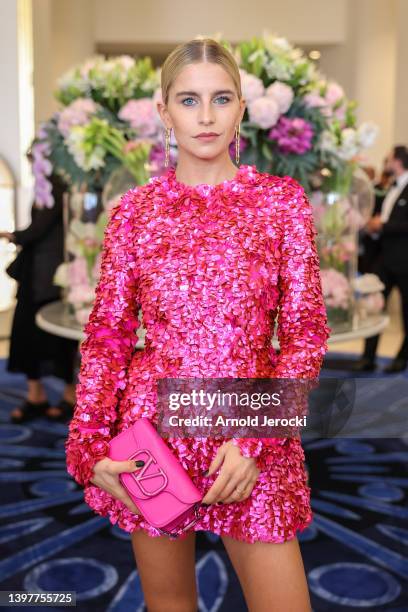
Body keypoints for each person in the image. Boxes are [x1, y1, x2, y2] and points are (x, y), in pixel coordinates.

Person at [65, 38, 331, 611]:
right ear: (164, 112)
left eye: (221, 98)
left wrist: (256, 438)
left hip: (251, 439)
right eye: (188, 100)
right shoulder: (135, 212)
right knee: (170, 606)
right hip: (154, 437)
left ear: (241, 109)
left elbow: (306, 334)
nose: (205, 116)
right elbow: (109, 334)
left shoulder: (280, 203)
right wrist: (86, 445)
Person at [1, 164, 79, 423]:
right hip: (38, 271)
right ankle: (37, 396)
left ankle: (69, 396)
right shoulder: (49, 183)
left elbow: (40, 228)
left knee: (58, 338)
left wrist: (13, 235)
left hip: (50, 275)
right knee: (26, 334)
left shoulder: (57, 183)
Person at [353, 145, 408, 373]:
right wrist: (374, 228)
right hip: (384, 260)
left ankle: (402, 358)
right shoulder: (389, 187)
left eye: (388, 158)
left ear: (397, 160)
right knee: (372, 305)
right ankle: (368, 357)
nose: (385, 161)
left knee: (407, 313)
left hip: (405, 263)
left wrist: (383, 225)